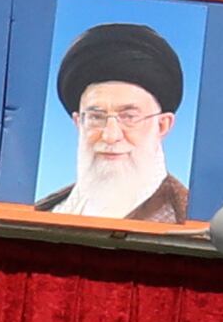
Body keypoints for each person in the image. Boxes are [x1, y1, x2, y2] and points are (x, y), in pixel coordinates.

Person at [34, 22, 190, 222]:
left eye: (129, 117)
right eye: (96, 117)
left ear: (162, 125)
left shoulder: (190, 226)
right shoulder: (47, 214)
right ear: (78, 123)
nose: (110, 135)